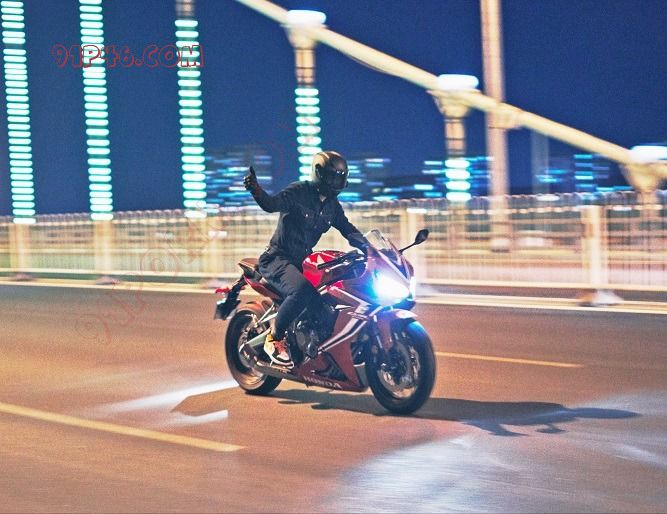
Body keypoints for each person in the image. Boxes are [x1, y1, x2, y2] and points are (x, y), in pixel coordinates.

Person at [243, 150, 368, 368]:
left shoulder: (331, 205)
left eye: (340, 177)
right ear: (320, 174)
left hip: (302, 261)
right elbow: (271, 204)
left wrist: (370, 249)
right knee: (301, 291)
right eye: (332, 177)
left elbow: (347, 229)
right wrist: (256, 189)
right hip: (277, 258)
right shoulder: (299, 191)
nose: (336, 182)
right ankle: (274, 339)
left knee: (325, 298)